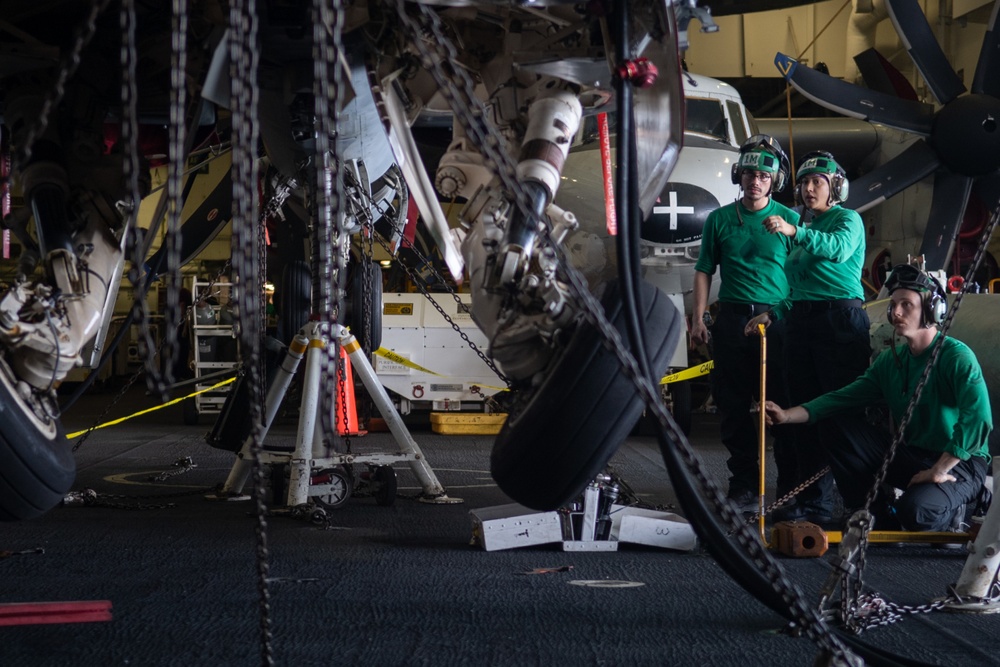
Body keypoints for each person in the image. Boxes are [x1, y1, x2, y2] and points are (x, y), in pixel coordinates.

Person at [763, 264, 991, 531]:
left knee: (917, 513)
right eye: (893, 304)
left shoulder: (955, 356)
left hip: (959, 463)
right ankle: (872, 512)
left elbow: (979, 420)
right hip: (914, 455)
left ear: (933, 310)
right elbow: (840, 398)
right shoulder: (890, 362)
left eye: (907, 305)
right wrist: (786, 415)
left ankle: (959, 506)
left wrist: (939, 469)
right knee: (835, 424)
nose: (896, 312)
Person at [746, 151, 870, 524]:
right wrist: (776, 312)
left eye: (817, 182)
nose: (809, 188)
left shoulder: (847, 220)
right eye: (804, 182)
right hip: (802, 323)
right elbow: (802, 286)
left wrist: (794, 230)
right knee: (800, 414)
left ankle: (856, 500)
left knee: (839, 415)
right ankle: (808, 500)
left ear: (836, 187)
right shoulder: (805, 226)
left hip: (839, 323)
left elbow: (837, 251)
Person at [691, 135, 799, 513]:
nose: (756, 181)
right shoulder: (720, 219)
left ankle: (789, 489)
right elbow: (704, 269)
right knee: (733, 406)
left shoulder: (791, 221)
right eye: (750, 174)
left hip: (778, 319)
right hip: (733, 318)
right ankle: (744, 487)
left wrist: (783, 311)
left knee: (782, 405)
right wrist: (698, 317)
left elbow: (804, 273)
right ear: (739, 176)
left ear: (775, 181)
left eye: (764, 176)